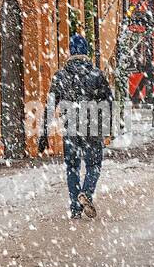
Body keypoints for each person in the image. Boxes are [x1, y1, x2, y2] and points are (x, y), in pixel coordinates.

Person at [38, 34, 113, 219]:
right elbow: (108, 102)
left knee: (72, 167)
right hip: (92, 127)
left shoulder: (60, 76)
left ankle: (75, 207)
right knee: (94, 164)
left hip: (70, 127)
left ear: (70, 52)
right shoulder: (96, 74)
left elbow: (50, 105)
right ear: (86, 52)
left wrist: (44, 133)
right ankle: (86, 194)